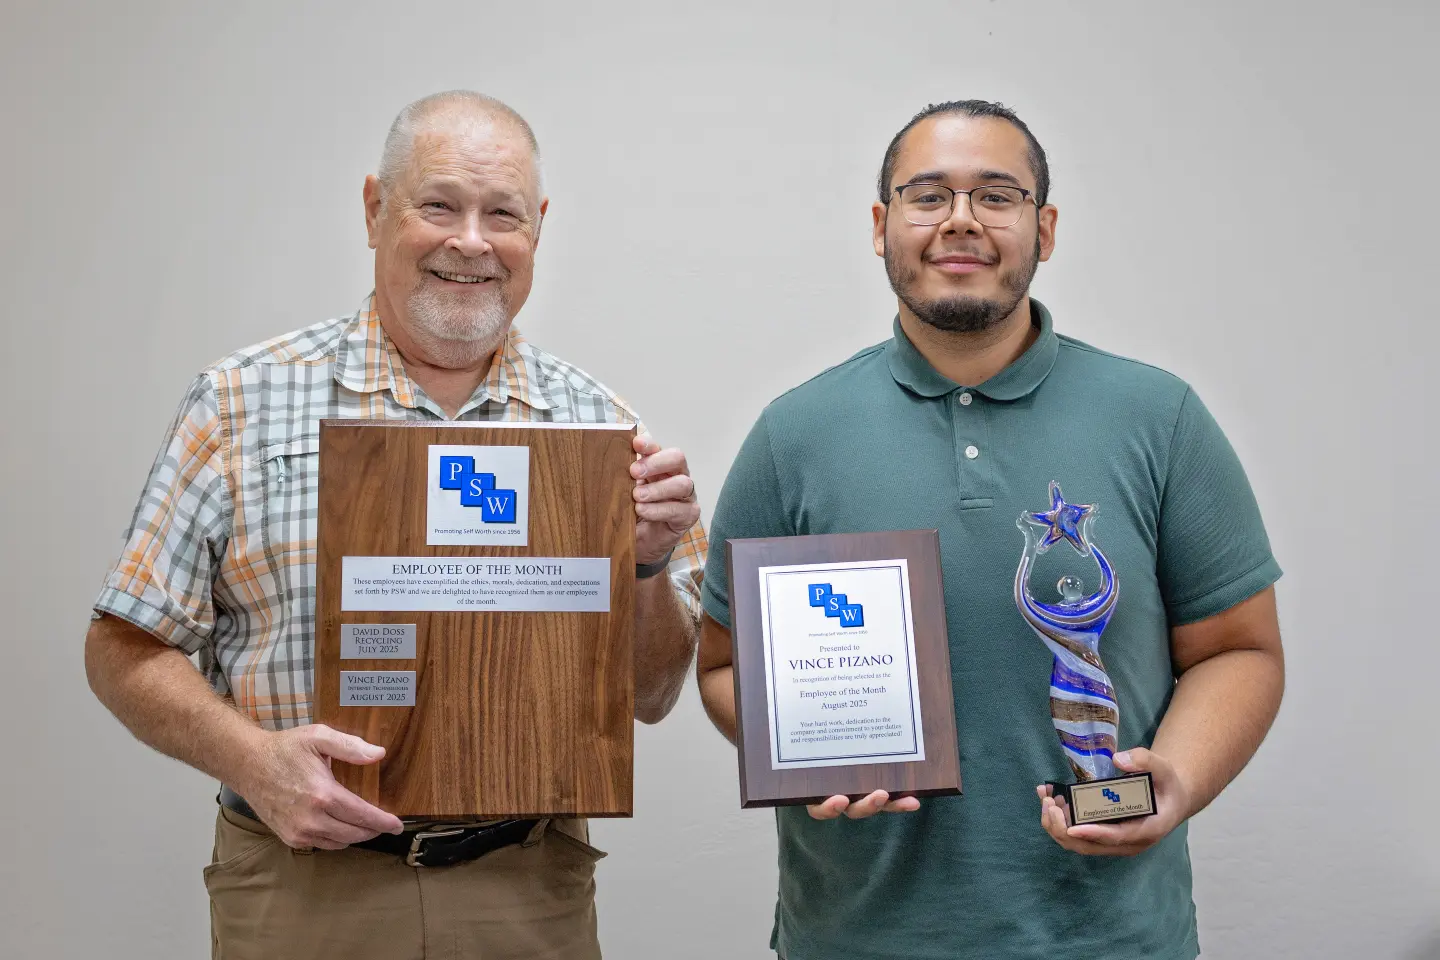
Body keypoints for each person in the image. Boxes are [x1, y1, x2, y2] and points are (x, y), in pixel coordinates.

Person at [85, 90, 706, 960]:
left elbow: (650, 694)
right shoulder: (240, 401)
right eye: (440, 205)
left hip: (526, 892)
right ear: (376, 209)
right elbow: (121, 647)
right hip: (302, 891)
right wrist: (250, 759)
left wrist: (643, 569)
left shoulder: (603, 431)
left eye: (504, 214)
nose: (472, 242)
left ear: (540, 229)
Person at [696, 100, 1284, 960]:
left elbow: (1240, 649)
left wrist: (1179, 778)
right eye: (927, 196)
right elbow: (721, 664)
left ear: (1044, 227)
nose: (960, 221)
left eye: (997, 196)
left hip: (1109, 937)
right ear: (881, 225)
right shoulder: (794, 434)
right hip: (857, 936)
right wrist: (810, 755)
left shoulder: (1159, 418)